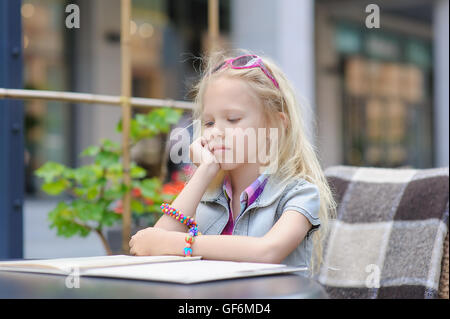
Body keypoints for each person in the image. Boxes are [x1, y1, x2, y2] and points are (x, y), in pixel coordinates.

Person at [129, 49, 337, 276]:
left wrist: (180, 244)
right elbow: (152, 248)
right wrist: (203, 173)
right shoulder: (209, 194)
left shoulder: (299, 193)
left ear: (275, 126)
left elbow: (268, 251)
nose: (216, 132)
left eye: (233, 119)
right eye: (209, 122)